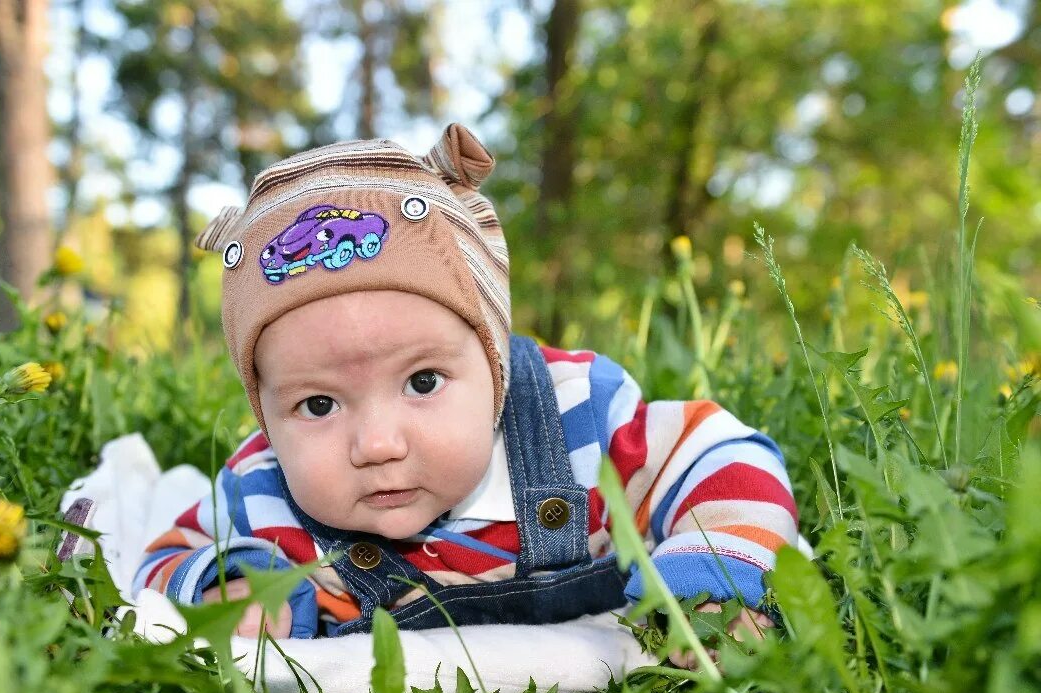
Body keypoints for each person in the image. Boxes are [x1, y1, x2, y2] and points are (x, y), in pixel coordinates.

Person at [133, 124, 794, 652]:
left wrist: (711, 575)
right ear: (266, 416)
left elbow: (722, 452)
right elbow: (167, 559)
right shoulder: (264, 491)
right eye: (318, 404)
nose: (378, 443)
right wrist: (233, 588)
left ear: (493, 363)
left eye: (422, 381)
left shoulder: (575, 418)